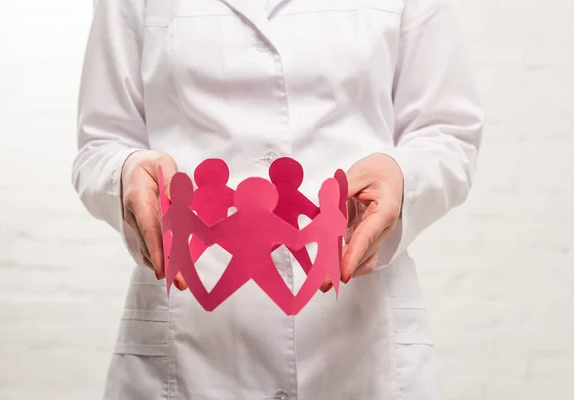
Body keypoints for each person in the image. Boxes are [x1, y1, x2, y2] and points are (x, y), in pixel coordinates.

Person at [72, 0, 483, 399]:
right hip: (189, 344)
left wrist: (401, 177)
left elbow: (446, 132)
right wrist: (126, 172)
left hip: (356, 341)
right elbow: (101, 144)